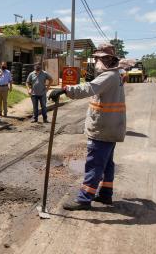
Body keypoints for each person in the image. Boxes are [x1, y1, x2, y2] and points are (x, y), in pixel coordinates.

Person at [49, 43, 126, 211]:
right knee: (107, 163)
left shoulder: (108, 76)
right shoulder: (116, 75)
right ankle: (105, 194)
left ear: (105, 59)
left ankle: (84, 199)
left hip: (103, 128)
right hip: (111, 127)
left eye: (98, 58)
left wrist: (65, 90)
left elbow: (89, 88)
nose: (96, 61)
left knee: (94, 163)